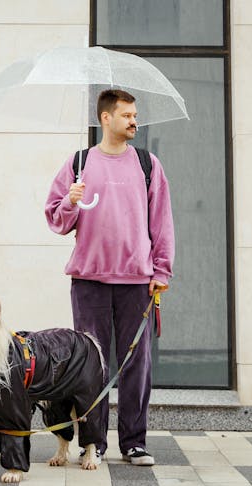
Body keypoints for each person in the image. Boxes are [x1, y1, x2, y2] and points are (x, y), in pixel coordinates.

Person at [44, 89, 174, 466]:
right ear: (106, 118)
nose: (135, 121)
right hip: (89, 281)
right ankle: (93, 444)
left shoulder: (149, 164)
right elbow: (55, 219)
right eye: (127, 115)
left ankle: (134, 442)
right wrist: (70, 199)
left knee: (137, 364)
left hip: (137, 280)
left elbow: (162, 222)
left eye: (135, 115)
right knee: (92, 368)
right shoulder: (79, 163)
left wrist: (161, 269)